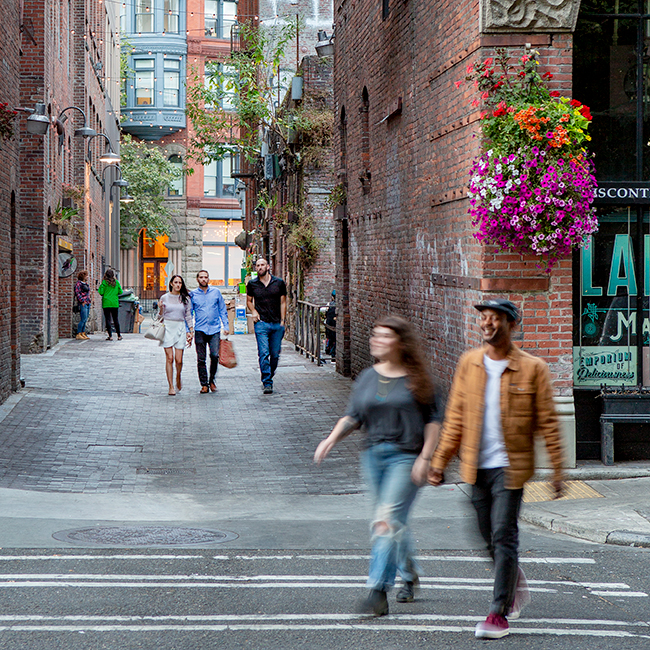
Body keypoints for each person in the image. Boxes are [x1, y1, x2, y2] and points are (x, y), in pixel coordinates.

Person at [428, 299, 565, 640]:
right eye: (484, 319)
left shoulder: (533, 368)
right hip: (476, 466)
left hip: (511, 468)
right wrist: (439, 461)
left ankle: (497, 612)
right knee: (486, 537)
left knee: (504, 535)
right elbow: (456, 417)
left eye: (496, 319)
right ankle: (513, 579)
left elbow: (548, 422)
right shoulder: (469, 364)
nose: (487, 324)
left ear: (511, 325)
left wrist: (558, 472)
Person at [314, 316, 441, 617]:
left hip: (406, 456)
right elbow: (354, 415)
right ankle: (409, 572)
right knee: (392, 521)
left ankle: (377, 592)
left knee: (385, 521)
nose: (376, 340)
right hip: (373, 456)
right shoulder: (367, 377)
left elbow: (434, 421)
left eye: (385, 336)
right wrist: (331, 439)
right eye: (375, 335)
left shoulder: (418, 378)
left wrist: (426, 458)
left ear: (400, 342)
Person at [246, 258, 287, 394]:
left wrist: (282, 320)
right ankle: (267, 382)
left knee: (274, 355)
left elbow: (283, 302)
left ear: (268, 267)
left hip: (276, 324)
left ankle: (269, 373)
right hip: (261, 324)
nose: (260, 267)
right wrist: (253, 310)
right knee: (264, 353)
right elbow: (249, 301)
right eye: (257, 265)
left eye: (262, 265)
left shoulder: (279, 283)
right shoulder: (252, 284)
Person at [190, 270, 230, 394]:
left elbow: (222, 310)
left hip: (214, 329)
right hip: (200, 329)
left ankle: (212, 380)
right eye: (201, 277)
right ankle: (204, 384)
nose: (203, 279)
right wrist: (189, 329)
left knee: (214, 355)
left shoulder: (216, 292)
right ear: (197, 279)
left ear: (209, 279)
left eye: (205, 277)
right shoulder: (193, 295)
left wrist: (226, 326)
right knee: (201, 359)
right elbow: (189, 313)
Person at [158, 275, 194, 396]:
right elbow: (159, 317)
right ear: (171, 284)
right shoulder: (165, 297)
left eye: (180, 282)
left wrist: (191, 330)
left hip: (180, 328)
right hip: (167, 327)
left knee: (179, 360)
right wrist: (160, 309)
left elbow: (188, 315)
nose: (178, 284)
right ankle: (171, 386)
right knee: (170, 358)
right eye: (176, 282)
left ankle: (178, 376)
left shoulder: (185, 299)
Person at [97, 269, 122, 341]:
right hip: (114, 303)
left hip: (106, 303)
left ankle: (110, 336)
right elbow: (120, 291)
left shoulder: (104, 283)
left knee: (108, 319)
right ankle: (119, 335)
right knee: (115, 319)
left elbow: (101, 292)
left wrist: (101, 285)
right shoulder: (116, 282)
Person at [74, 270, 91, 340]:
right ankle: (78, 333)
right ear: (83, 276)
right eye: (86, 275)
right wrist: (82, 301)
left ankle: (83, 332)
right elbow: (77, 293)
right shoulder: (78, 284)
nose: (87, 277)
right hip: (83, 303)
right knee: (83, 319)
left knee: (86, 318)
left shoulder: (86, 284)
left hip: (87, 302)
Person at [325, 289, 336, 358]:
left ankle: (330, 350)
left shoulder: (329, 305)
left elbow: (326, 314)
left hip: (330, 325)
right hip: (334, 325)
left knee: (331, 338)